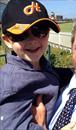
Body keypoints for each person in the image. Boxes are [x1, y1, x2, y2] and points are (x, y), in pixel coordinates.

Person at [0, 0, 60, 130]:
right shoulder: (11, 83)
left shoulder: (41, 64)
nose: (33, 40)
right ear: (8, 40)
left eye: (40, 31)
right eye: (21, 34)